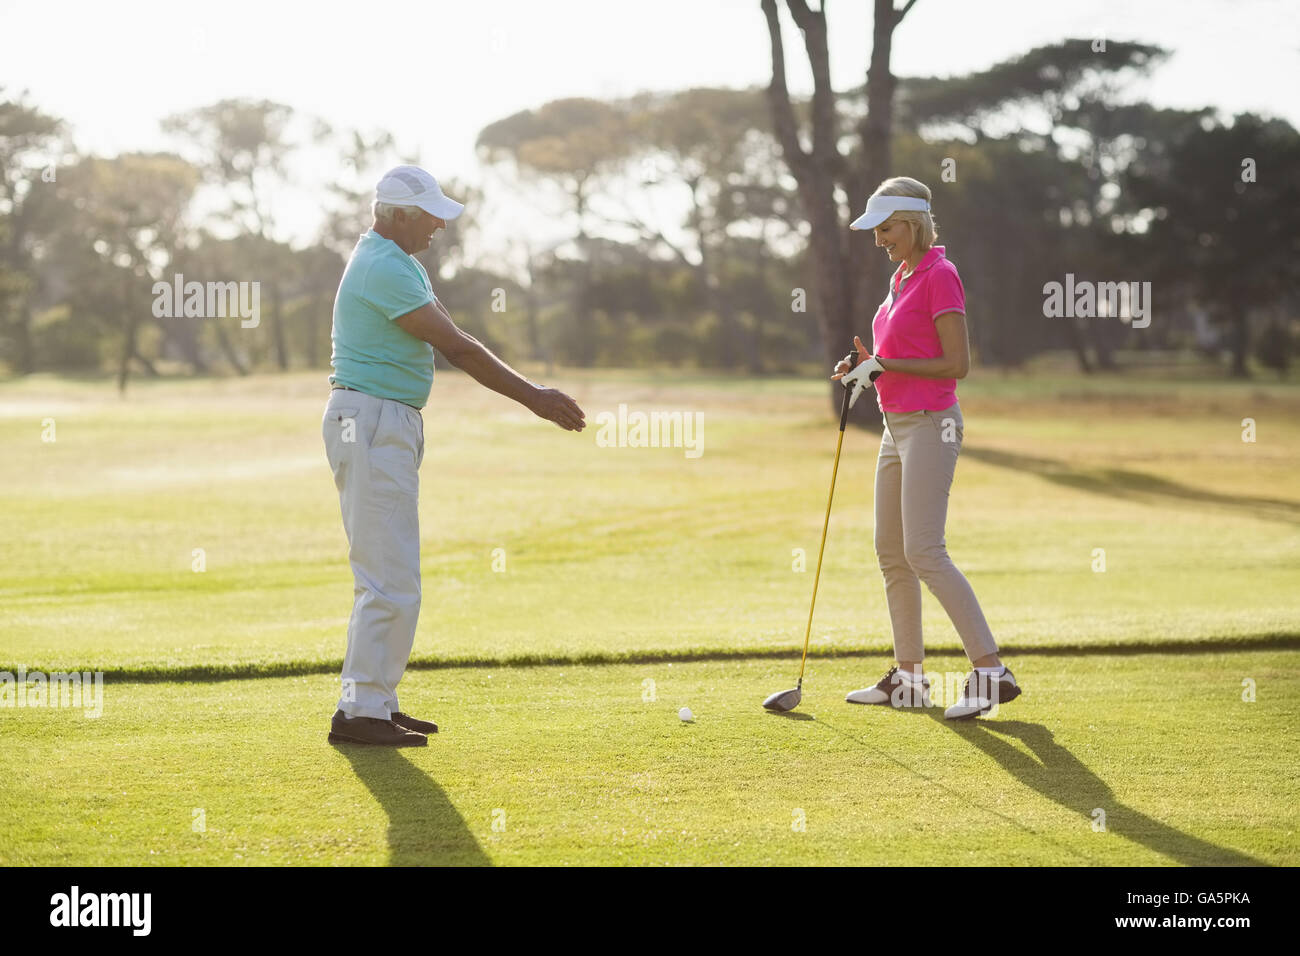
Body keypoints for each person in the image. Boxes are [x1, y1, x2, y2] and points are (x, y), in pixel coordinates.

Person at [322, 165, 586, 746]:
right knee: (388, 577)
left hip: (379, 419)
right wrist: (535, 398)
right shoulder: (385, 266)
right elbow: (458, 347)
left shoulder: (394, 261)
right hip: (370, 419)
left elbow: (452, 340)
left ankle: (375, 703)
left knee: (394, 574)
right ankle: (360, 711)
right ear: (395, 215)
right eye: (429, 215)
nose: (440, 224)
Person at [833, 176, 1020, 720]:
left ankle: (991, 672)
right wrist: (865, 366)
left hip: (933, 423)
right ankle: (910, 679)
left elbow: (956, 364)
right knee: (891, 553)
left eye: (885, 228)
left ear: (912, 223)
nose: (878, 238)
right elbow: (896, 353)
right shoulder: (901, 277)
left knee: (924, 551)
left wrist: (885, 365)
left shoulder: (941, 275)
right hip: (896, 425)